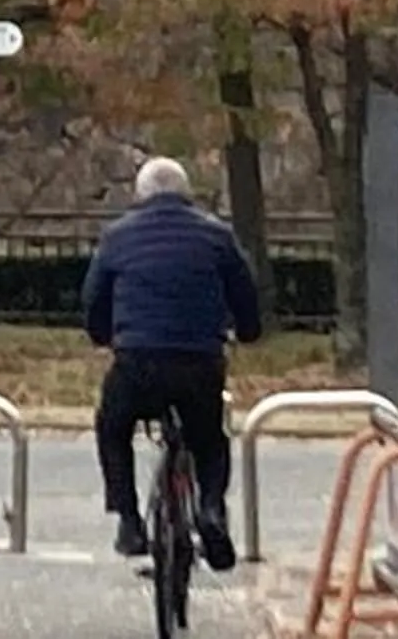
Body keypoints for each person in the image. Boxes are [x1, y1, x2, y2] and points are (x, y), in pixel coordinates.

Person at [85, 156, 261, 568]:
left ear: (139, 195)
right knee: (209, 441)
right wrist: (247, 332)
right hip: (199, 363)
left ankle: (129, 520)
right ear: (188, 194)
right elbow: (246, 296)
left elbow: (93, 300)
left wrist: (103, 335)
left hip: (137, 363)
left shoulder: (117, 237)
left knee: (112, 426)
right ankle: (212, 510)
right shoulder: (217, 236)